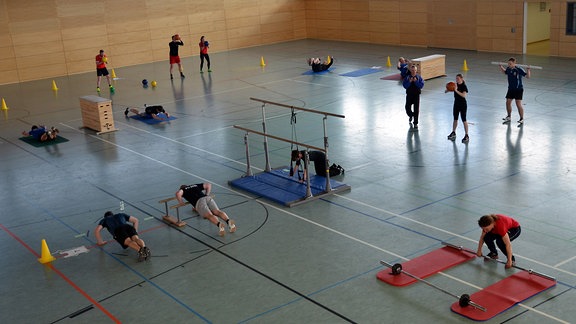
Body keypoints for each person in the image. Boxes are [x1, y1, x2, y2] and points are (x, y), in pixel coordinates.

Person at [499, 57, 530, 125]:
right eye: (508, 64)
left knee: (518, 104)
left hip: (518, 89)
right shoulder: (508, 69)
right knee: (508, 102)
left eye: (510, 64)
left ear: (514, 63)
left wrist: (528, 70)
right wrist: (501, 67)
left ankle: (521, 118)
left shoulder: (519, 69)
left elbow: (528, 76)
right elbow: (505, 72)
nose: (509, 65)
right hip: (510, 89)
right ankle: (509, 116)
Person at [446, 74, 470, 143]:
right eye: (456, 78)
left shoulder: (464, 86)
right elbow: (448, 89)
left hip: (462, 105)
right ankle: (453, 132)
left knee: (464, 120)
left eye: (458, 78)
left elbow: (464, 95)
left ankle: (466, 135)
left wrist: (455, 90)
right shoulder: (455, 85)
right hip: (456, 104)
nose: (457, 80)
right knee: (455, 119)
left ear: (462, 79)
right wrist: (448, 89)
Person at [402, 65, 425, 129]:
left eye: (414, 70)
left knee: (416, 109)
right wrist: (409, 82)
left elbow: (421, 86)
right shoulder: (407, 77)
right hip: (409, 95)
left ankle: (415, 123)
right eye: (412, 70)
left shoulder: (419, 77)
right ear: (410, 70)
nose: (413, 71)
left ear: (416, 70)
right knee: (407, 107)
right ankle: (411, 115)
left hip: (416, 95)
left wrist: (416, 81)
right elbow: (405, 86)